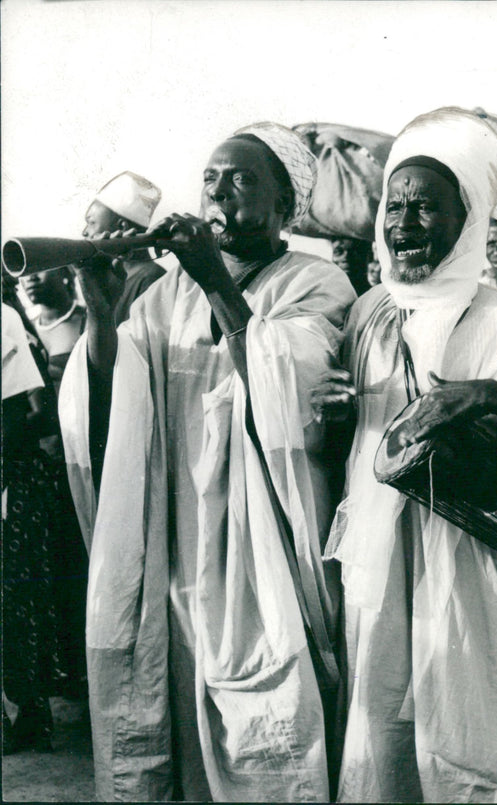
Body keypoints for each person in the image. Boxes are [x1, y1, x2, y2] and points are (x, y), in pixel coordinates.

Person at [59, 123, 357, 801]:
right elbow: (113, 402)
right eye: (212, 179)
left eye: (242, 180)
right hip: (177, 536)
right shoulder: (167, 295)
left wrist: (215, 278)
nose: (220, 193)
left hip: (263, 550)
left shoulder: (318, 282)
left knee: (267, 717)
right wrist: (103, 317)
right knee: (179, 720)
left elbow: (289, 389)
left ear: (286, 204)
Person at [313, 108, 497, 803]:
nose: (405, 223)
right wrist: (336, 417)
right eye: (395, 205)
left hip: (480, 564)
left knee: (475, 736)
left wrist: (489, 397)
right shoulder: (369, 313)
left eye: (426, 207)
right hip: (381, 563)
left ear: (466, 219)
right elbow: (345, 450)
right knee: (384, 735)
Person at [2, 301, 59, 753]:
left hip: (13, 473)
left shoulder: (5, 320)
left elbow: (27, 410)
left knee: (16, 598)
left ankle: (29, 712)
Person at [81, 171, 165, 325]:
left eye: (92, 222)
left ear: (122, 228)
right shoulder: (108, 275)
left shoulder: (151, 278)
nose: (85, 232)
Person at [20, 268, 86, 393]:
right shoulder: (26, 330)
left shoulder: (88, 320)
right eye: (24, 273)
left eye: (39, 267)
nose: (30, 277)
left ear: (65, 272)